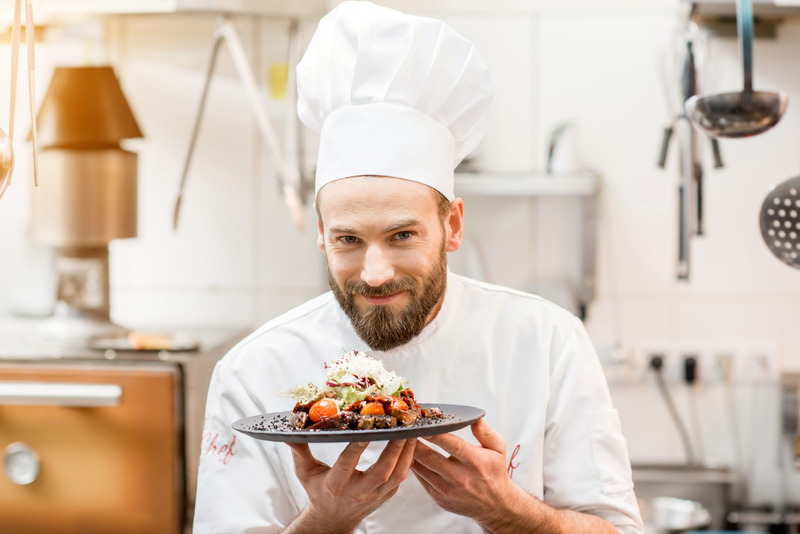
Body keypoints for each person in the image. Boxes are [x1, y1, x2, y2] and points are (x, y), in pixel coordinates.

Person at [193, 2, 644, 533]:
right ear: (320, 234)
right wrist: (324, 522)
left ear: (452, 226)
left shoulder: (548, 343)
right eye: (348, 240)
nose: (376, 271)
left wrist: (508, 510)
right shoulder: (252, 372)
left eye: (402, 235)